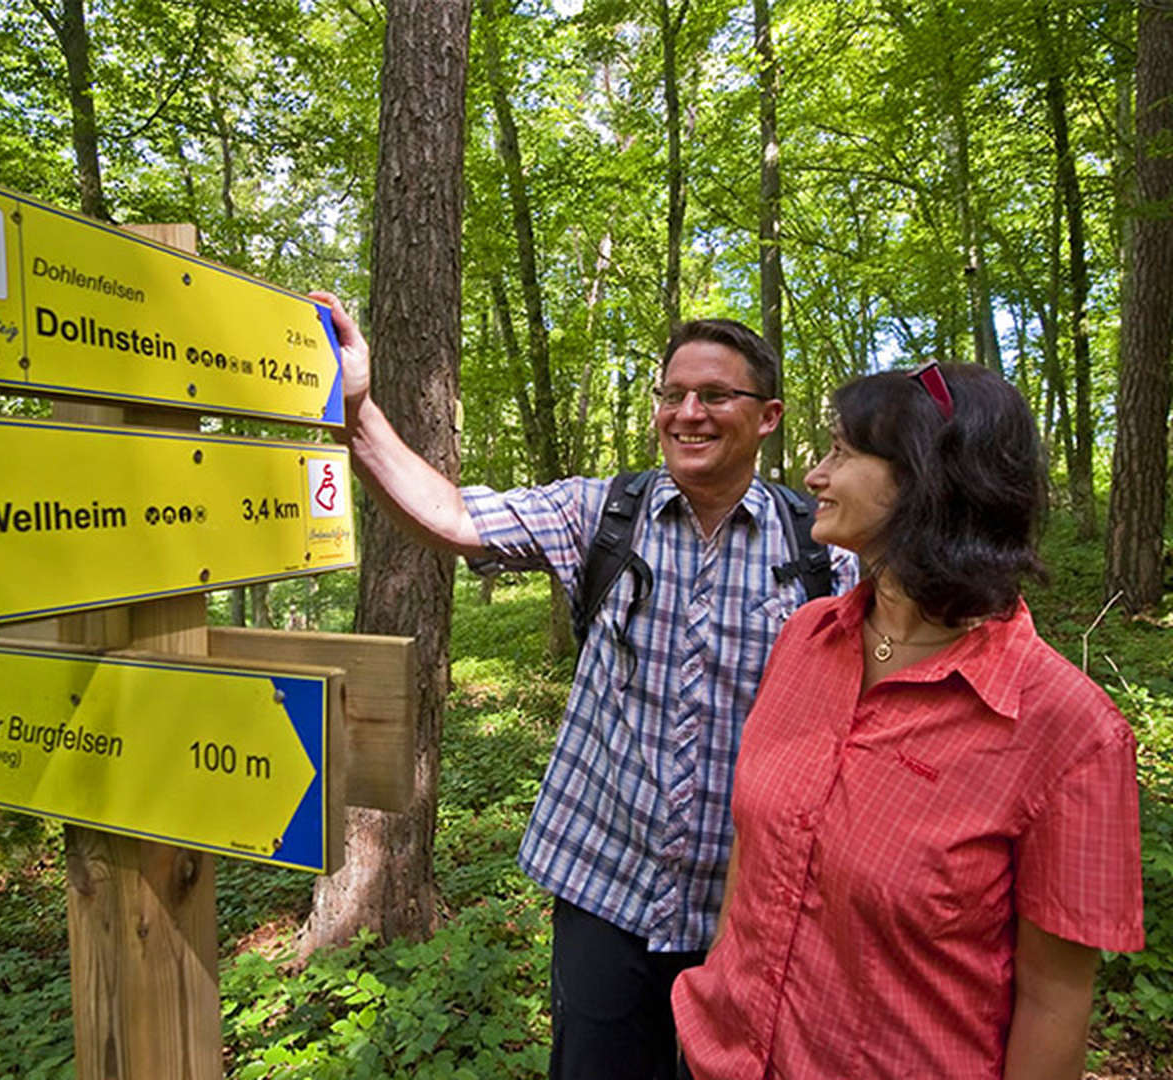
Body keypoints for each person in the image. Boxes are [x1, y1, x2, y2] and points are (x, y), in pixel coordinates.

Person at [312, 292, 857, 1080]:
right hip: (606, 890)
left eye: (714, 395)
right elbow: (455, 515)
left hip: (754, 911)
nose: (687, 413)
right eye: (672, 395)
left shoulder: (825, 553)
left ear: (767, 417)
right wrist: (357, 410)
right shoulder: (603, 513)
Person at [670, 362, 1145, 1079]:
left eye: (840, 451)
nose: (814, 475)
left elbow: (1054, 1000)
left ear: (925, 478)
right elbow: (753, 851)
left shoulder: (1068, 730)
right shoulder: (804, 641)